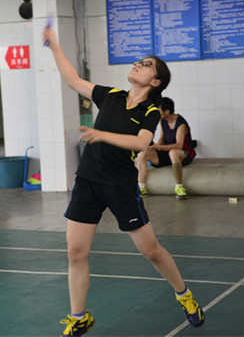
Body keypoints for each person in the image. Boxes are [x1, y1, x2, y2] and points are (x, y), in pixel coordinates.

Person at [42, 28, 205, 337]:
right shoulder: (111, 96)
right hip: (88, 181)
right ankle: (79, 317)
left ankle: (184, 295)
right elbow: (73, 80)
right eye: (139, 62)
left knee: (151, 251)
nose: (138, 64)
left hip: (120, 186)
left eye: (146, 64)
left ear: (155, 82)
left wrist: (102, 135)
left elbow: (142, 143)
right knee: (75, 252)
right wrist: (54, 46)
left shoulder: (150, 111)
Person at [136, 97, 197, 199]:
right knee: (143, 154)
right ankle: (141, 187)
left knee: (173, 153)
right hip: (167, 152)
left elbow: (179, 145)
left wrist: (159, 147)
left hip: (182, 153)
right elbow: (163, 137)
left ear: (167, 111)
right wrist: (155, 147)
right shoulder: (163, 121)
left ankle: (179, 187)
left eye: (158, 110)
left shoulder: (181, 124)